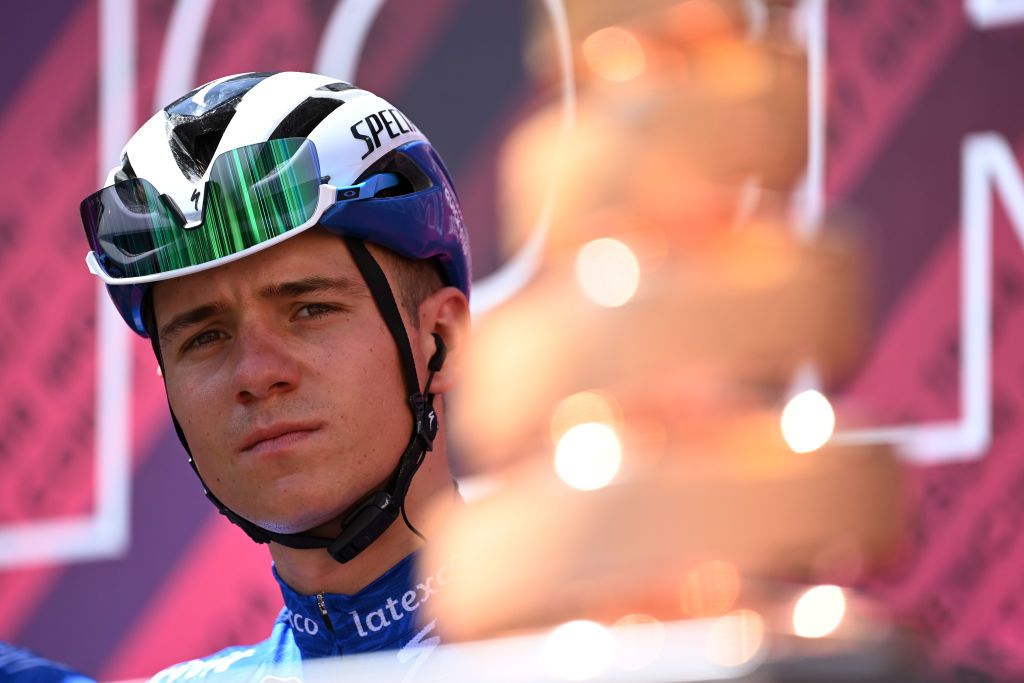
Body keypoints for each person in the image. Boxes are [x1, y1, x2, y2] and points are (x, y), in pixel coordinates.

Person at [80, 71, 472, 681]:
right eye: (205, 336)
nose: (257, 374)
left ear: (440, 342)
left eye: (310, 310)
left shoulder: (622, 637)